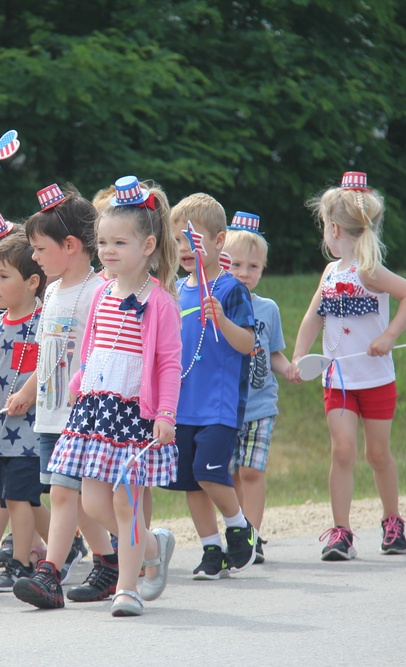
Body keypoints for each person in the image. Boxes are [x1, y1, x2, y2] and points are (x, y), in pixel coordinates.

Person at [48, 176, 181, 617]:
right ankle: (149, 547)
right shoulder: (102, 292)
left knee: (125, 502)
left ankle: (128, 588)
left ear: (146, 246)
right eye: (103, 241)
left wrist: (165, 412)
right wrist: (76, 384)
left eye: (118, 242)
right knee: (91, 502)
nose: (107, 250)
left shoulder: (160, 302)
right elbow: (92, 347)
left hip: (133, 414)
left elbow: (167, 364)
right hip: (94, 409)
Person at [291, 171, 406, 560]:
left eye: (324, 230)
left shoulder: (369, 270)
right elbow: (313, 316)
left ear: (334, 229)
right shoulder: (331, 273)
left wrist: (390, 336)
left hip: (377, 380)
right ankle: (341, 532)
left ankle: (392, 521)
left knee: (377, 454)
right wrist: (301, 356)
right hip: (338, 379)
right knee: (343, 451)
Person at [8, 184, 118, 609]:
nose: (33, 257)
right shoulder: (51, 292)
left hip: (82, 415)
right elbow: (48, 357)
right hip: (50, 413)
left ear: (69, 245)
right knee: (68, 493)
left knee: (65, 493)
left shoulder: (98, 292)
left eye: (39, 248)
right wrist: (26, 393)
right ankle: (109, 562)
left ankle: (50, 573)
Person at [168, 194, 259, 580]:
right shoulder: (173, 291)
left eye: (192, 238)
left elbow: (248, 344)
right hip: (181, 404)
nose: (184, 248)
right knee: (191, 482)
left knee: (209, 473)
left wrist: (221, 320)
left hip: (218, 405)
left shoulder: (230, 290)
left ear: (219, 241)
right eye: (177, 240)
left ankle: (240, 525)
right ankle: (211, 549)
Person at [0, 232, 50, 592]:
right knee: (23, 499)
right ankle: (76, 545)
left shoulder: (45, 324)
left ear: (33, 282)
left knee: (18, 497)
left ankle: (20, 563)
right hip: (2, 434)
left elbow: (50, 368)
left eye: (3, 277)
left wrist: (28, 394)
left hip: (32, 433)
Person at [222, 213, 301, 564]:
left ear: (263, 269)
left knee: (252, 472)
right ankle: (238, 534)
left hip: (259, 405)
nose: (244, 272)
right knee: (231, 473)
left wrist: (290, 369)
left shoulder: (268, 309)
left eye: (253, 266)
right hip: (224, 405)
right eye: (236, 264)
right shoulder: (215, 306)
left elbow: (274, 354)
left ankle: (252, 537)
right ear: (222, 263)